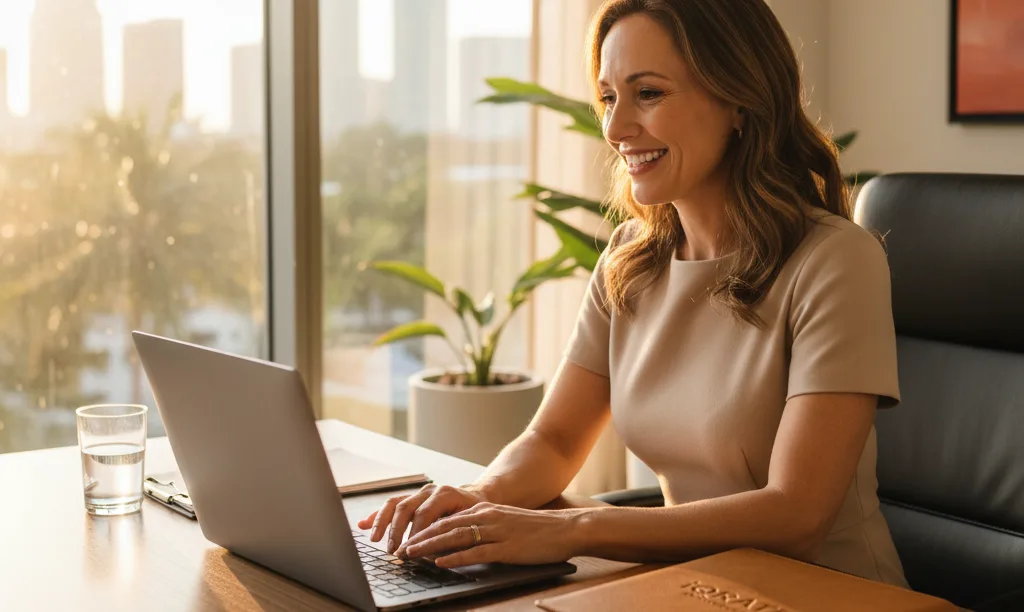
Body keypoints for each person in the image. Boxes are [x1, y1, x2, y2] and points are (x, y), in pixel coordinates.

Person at [358, 0, 908, 588]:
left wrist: (577, 528)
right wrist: (475, 498)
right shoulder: (630, 261)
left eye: (648, 93)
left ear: (740, 101)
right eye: (609, 98)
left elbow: (796, 515)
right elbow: (554, 439)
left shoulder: (835, 261)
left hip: (829, 593)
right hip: (693, 585)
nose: (617, 129)